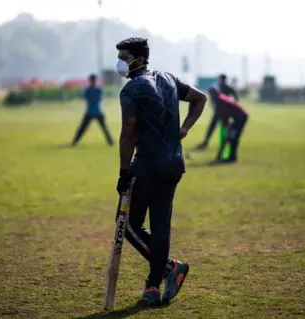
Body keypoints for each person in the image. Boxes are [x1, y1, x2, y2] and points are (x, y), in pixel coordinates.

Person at [114, 37, 207, 306]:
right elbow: (200, 99)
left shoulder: (131, 90)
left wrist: (123, 172)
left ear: (140, 59)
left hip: (148, 166)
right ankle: (152, 288)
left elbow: (127, 134)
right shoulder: (168, 78)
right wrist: (186, 127)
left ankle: (169, 269)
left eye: (125, 57)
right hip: (174, 165)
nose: (120, 62)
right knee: (160, 226)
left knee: (129, 225)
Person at [195, 74, 239, 150]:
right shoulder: (218, 87)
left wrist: (229, 106)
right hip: (219, 111)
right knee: (214, 127)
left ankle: (225, 146)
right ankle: (206, 143)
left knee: (224, 129)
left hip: (224, 112)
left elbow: (236, 98)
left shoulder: (225, 87)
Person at [71, 74, 114, 146]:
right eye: (91, 80)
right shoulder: (89, 90)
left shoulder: (98, 90)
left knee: (105, 129)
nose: (92, 82)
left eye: (93, 80)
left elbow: (97, 99)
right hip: (89, 112)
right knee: (82, 128)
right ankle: (74, 142)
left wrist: (90, 95)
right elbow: (88, 98)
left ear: (95, 81)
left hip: (98, 112)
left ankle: (111, 142)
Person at [212, 92, 249, 163]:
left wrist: (227, 132)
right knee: (232, 137)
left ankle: (232, 158)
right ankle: (232, 157)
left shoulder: (220, 103)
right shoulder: (221, 98)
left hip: (240, 117)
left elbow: (226, 121)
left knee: (233, 137)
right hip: (239, 117)